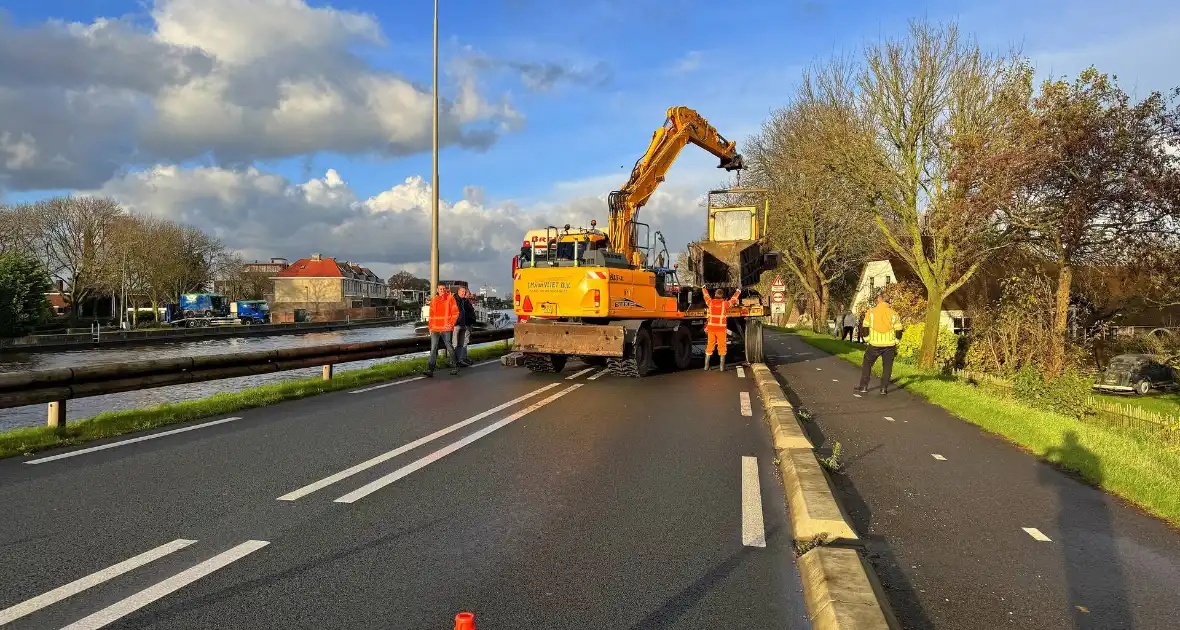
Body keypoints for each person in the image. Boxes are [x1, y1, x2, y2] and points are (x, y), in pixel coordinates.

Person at [855, 293, 902, 395]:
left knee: (867, 363)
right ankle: (883, 389)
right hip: (889, 344)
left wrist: (867, 339)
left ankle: (863, 386)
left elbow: (865, 327)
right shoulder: (894, 314)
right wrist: (896, 342)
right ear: (888, 301)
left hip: (875, 343)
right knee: (887, 367)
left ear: (879, 299)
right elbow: (899, 329)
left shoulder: (871, 312)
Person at [703, 287, 741, 372]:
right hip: (721, 329)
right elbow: (733, 300)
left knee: (710, 346)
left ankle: (706, 367)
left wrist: (704, 288)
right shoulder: (725, 304)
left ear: (715, 295)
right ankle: (721, 367)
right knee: (722, 347)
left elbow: (706, 296)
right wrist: (738, 291)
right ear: (723, 296)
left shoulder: (710, 303)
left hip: (711, 329)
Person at [425, 284, 460, 377]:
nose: (442, 290)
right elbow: (431, 315)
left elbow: (455, 313)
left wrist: (451, 324)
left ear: (446, 290)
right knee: (433, 349)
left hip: (446, 329)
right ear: (437, 290)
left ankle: (456, 366)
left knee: (449, 346)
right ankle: (430, 369)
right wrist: (430, 327)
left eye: (444, 289)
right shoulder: (434, 299)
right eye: (440, 289)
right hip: (435, 329)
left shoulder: (450, 298)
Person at [452, 287, 477, 367]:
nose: (468, 294)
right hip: (461, 325)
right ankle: (457, 360)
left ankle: (461, 359)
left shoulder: (464, 301)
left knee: (462, 343)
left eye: (466, 292)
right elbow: (460, 313)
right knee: (459, 343)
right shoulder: (460, 301)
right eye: (466, 292)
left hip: (464, 324)